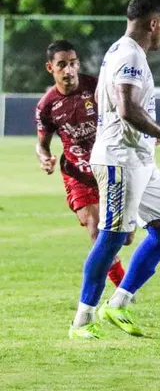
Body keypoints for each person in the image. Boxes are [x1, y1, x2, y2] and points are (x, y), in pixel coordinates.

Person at [69, 0, 160, 340]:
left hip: (140, 158)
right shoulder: (129, 55)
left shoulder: (125, 51)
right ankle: (82, 320)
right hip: (121, 158)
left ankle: (118, 303)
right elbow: (127, 108)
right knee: (113, 237)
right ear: (154, 23)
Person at [35, 41, 128, 291]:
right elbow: (42, 145)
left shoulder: (97, 87)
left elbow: (125, 113)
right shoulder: (47, 106)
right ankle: (124, 292)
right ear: (50, 68)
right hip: (78, 174)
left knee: (125, 237)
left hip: (109, 167)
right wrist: (45, 158)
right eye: (62, 65)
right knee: (96, 229)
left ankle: (121, 286)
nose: (69, 70)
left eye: (73, 63)